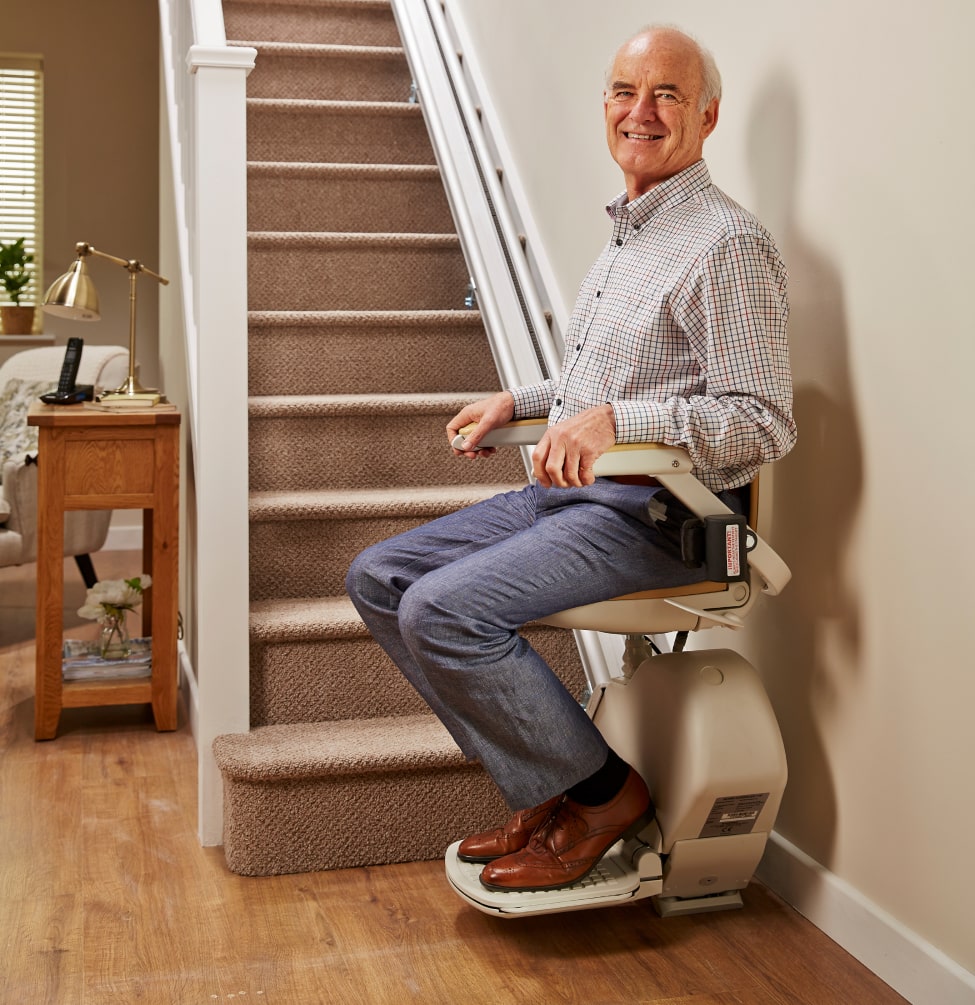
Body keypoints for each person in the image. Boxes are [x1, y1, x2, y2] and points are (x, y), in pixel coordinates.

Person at [346, 24, 797, 893]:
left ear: (706, 115)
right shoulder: (632, 232)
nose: (642, 111)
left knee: (442, 609)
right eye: (626, 91)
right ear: (606, 108)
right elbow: (605, 380)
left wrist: (616, 418)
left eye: (667, 94)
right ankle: (552, 787)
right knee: (378, 576)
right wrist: (520, 402)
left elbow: (762, 421)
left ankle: (601, 796)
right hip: (580, 497)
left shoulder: (724, 245)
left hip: (667, 519)